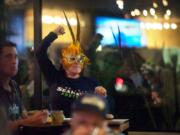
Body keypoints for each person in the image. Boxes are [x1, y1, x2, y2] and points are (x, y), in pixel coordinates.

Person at [36, 25, 107, 117]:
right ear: (62, 61)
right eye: (72, 58)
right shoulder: (55, 77)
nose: (77, 62)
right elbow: (40, 53)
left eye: (80, 59)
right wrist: (53, 34)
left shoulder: (92, 83)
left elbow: (101, 109)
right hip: (59, 128)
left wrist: (102, 97)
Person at [0, 41, 48, 134]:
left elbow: (24, 115)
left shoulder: (14, 86)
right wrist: (31, 120)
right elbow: (3, 128)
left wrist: (39, 115)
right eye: (8, 56)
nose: (14, 61)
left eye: (16, 57)